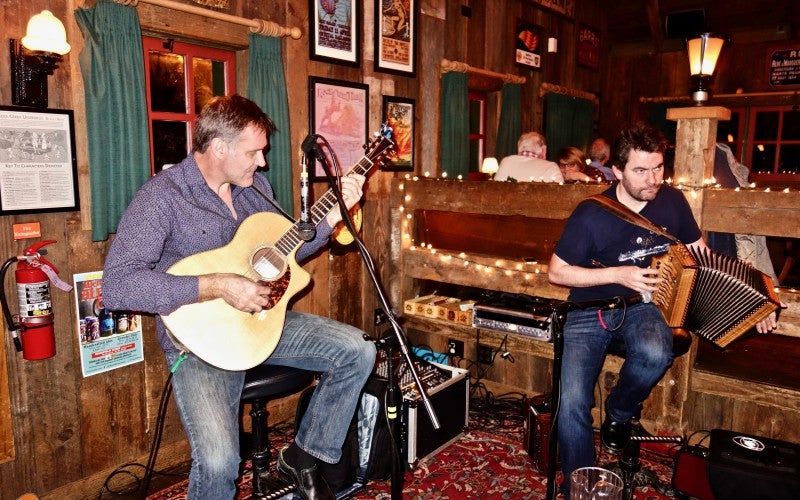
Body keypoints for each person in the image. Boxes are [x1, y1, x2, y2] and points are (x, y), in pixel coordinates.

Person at [102, 95, 376, 500]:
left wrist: (333, 217)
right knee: (218, 463)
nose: (262, 163)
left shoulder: (255, 189)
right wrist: (217, 285)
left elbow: (283, 254)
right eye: (253, 153)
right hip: (202, 343)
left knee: (358, 350)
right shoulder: (161, 198)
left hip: (262, 322)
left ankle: (304, 456)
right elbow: (118, 285)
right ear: (218, 148)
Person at [547, 122, 777, 498]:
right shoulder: (591, 213)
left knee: (656, 354)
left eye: (658, 167)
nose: (653, 179)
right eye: (641, 170)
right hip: (589, 308)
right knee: (572, 401)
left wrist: (758, 300)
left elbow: (702, 255)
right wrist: (617, 274)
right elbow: (557, 272)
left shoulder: (672, 201)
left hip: (643, 306)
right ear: (617, 170)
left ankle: (619, 413)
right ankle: (580, 486)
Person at [494, 131, 563, 182]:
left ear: (519, 148)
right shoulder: (551, 167)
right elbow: (561, 194)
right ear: (544, 150)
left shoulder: (506, 162)